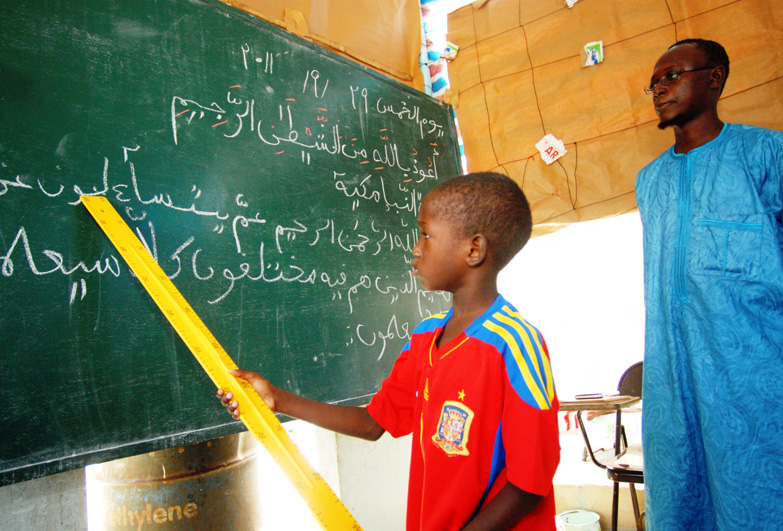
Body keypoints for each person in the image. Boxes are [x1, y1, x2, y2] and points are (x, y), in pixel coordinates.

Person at [218, 172, 560, 530]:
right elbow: (373, 423)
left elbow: (529, 485)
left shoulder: (515, 344)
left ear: (473, 250)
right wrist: (278, 399)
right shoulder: (425, 337)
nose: (416, 248)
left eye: (426, 235)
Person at [636, 38, 783, 530]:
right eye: (654, 82)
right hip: (671, 371)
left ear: (714, 77)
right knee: (679, 491)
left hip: (754, 370)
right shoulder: (649, 180)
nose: (659, 89)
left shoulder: (766, 153)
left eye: (671, 76)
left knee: (758, 490)